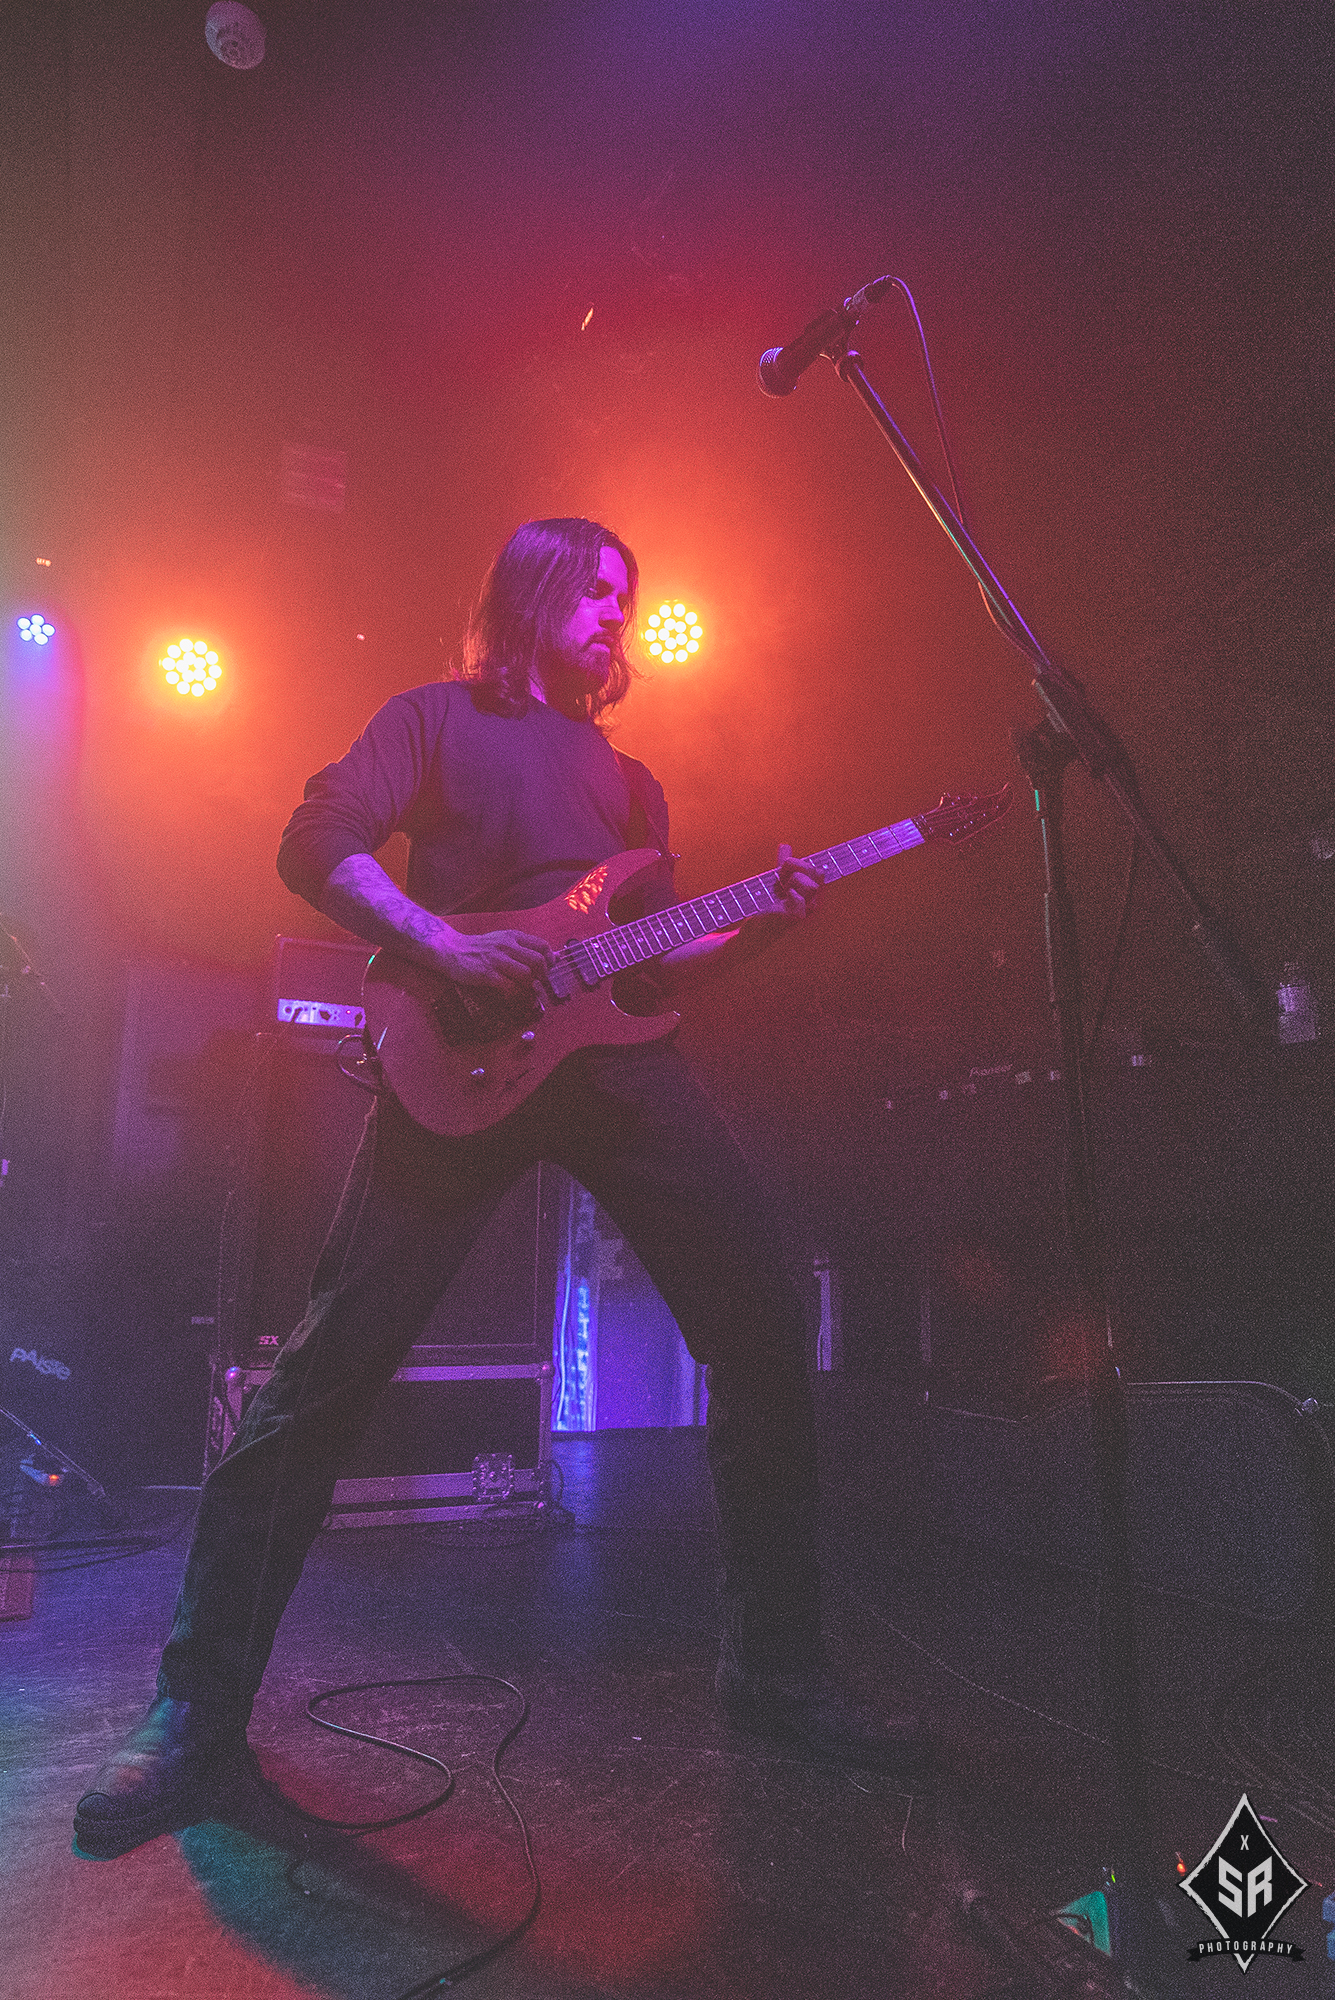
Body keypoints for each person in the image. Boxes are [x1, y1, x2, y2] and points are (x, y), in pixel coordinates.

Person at [74, 517, 926, 1861]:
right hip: (456, 1061)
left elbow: (647, 963)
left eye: (627, 596)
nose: (615, 614)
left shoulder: (632, 785)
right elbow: (317, 842)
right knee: (324, 1371)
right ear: (529, 596)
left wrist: (756, 925)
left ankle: (775, 1668)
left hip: (617, 1072)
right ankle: (194, 1712)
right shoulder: (434, 721)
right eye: (593, 590)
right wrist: (442, 945)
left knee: (762, 1319)